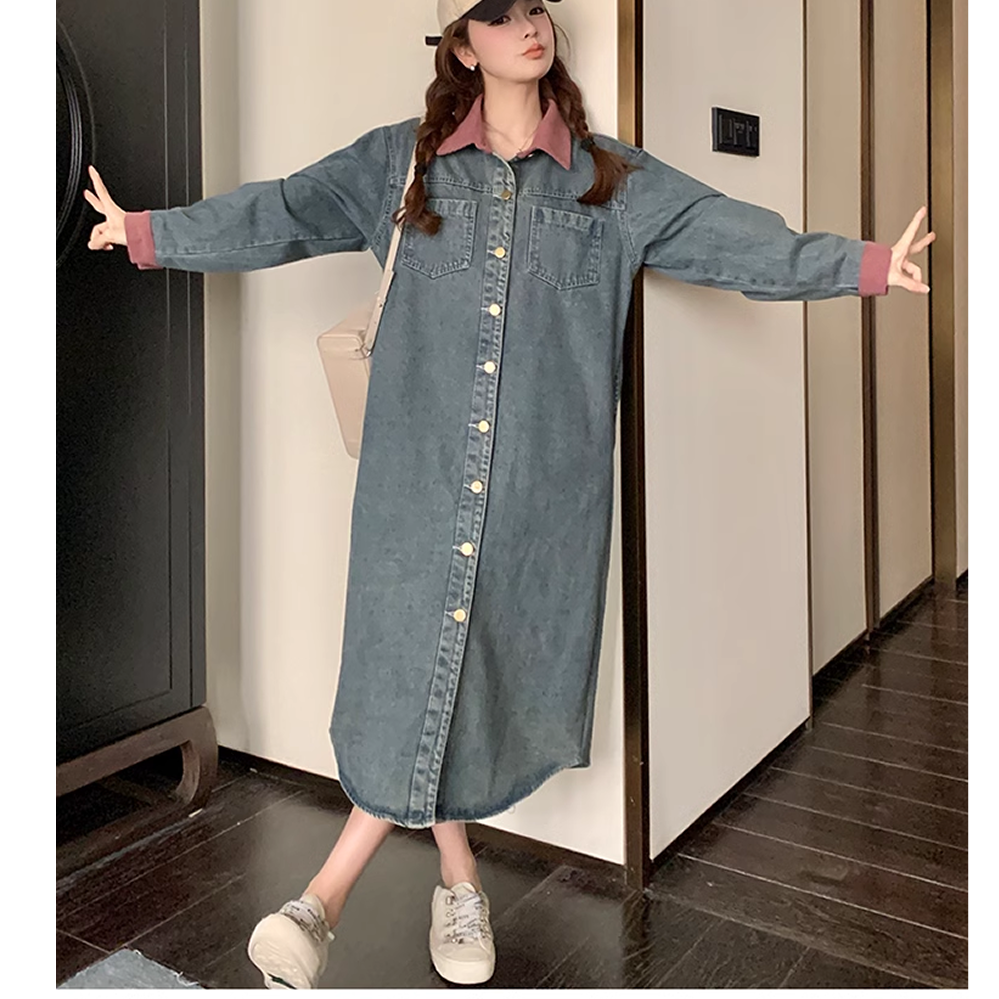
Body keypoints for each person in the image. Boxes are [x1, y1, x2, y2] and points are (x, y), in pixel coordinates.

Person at [83, 0, 934, 988]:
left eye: (536, 8)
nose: (527, 25)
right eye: (498, 13)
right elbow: (280, 212)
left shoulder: (611, 181)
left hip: (539, 500)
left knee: (468, 675)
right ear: (461, 44)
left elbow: (728, 236)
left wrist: (864, 265)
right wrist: (149, 232)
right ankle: (356, 897)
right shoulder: (398, 166)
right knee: (413, 671)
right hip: (415, 485)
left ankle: (388, 891)